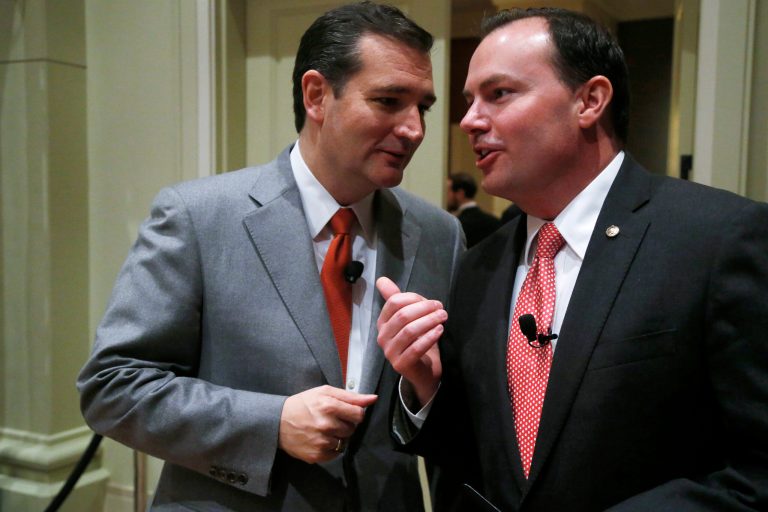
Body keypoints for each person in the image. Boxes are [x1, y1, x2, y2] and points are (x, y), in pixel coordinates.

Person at [376, 7, 768, 511]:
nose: (469, 121)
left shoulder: (719, 238)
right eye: (469, 101)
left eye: (499, 94)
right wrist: (427, 387)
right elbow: (483, 460)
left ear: (590, 100)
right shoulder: (479, 265)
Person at [77, 2, 464, 511]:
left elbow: (450, 409)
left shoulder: (441, 234)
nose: (414, 128)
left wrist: (424, 394)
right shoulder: (198, 216)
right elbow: (112, 387)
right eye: (389, 100)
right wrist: (272, 423)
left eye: (424, 107)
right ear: (316, 95)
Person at [446, 172, 500, 247]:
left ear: (460, 194)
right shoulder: (495, 222)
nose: (446, 196)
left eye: (448, 191)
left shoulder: (457, 225)